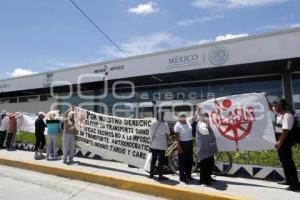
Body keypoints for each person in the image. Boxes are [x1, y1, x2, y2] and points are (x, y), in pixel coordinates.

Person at [272, 99, 300, 191]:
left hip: (285, 141)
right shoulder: (280, 114)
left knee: (288, 162)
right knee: (284, 161)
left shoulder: (287, 115)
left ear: (281, 106)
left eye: (276, 106)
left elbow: (285, 131)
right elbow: (270, 108)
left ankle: (294, 184)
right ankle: (288, 180)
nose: (274, 108)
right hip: (281, 141)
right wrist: (264, 98)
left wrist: (279, 142)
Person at [196, 113, 218, 185]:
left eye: (207, 117)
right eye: (206, 117)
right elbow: (205, 132)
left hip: (208, 148)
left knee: (210, 164)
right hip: (204, 148)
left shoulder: (204, 123)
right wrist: (208, 124)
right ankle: (203, 179)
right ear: (202, 117)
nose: (208, 118)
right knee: (205, 164)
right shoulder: (201, 124)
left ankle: (208, 177)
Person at [149, 111, 170, 181]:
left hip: (154, 144)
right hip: (161, 145)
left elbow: (151, 133)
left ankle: (151, 174)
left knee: (153, 159)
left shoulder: (152, 122)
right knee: (161, 161)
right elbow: (168, 133)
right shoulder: (164, 124)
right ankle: (160, 176)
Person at [174, 112, 194, 182]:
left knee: (189, 160)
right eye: (182, 117)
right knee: (182, 161)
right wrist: (179, 146)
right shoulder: (177, 125)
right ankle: (182, 177)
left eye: (185, 117)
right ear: (179, 118)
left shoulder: (188, 121)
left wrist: (199, 109)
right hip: (182, 144)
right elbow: (177, 138)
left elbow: (194, 117)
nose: (184, 118)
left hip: (190, 142)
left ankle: (188, 175)